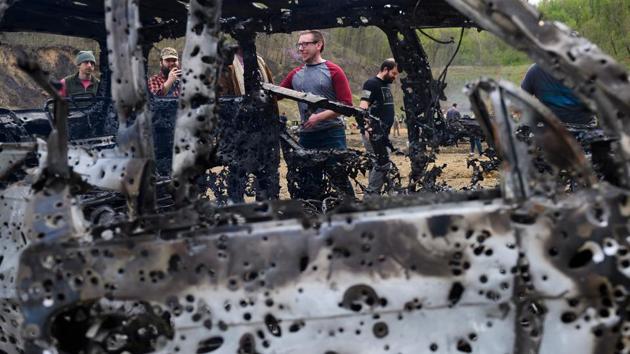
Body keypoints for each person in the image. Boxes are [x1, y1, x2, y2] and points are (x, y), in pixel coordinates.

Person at [279, 29, 355, 199]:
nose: (301, 48)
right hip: (307, 136)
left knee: (339, 179)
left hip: (332, 134)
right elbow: (275, 95)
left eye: (305, 44)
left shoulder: (334, 71)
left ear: (319, 45)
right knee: (309, 182)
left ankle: (351, 215)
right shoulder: (295, 74)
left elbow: (347, 105)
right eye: (299, 44)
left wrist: (319, 116)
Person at [359, 58, 399, 197]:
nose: (394, 77)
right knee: (383, 163)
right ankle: (370, 196)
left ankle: (373, 195)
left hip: (383, 134)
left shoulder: (385, 85)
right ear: (385, 69)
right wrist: (367, 128)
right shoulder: (371, 84)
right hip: (373, 133)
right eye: (393, 73)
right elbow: (362, 108)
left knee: (376, 164)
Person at [521, 63, 594, 125]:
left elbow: (520, 100)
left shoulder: (535, 70)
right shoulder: (582, 68)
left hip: (555, 131)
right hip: (581, 128)